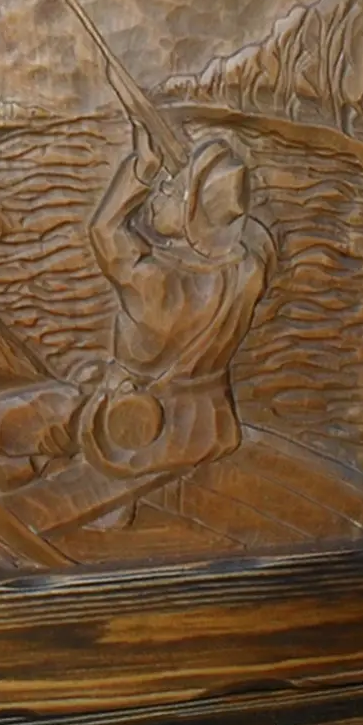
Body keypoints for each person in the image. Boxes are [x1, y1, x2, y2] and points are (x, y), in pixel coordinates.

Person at [80, 117, 276, 478]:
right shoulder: (250, 272)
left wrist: (141, 170)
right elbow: (252, 236)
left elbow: (103, 230)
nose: (159, 193)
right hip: (215, 429)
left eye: (172, 191)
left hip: (144, 439)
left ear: (190, 218)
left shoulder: (153, 280)